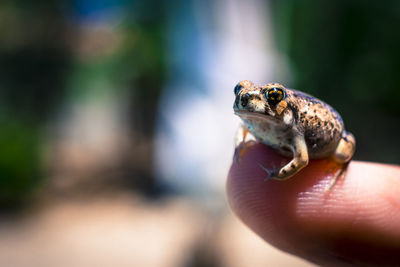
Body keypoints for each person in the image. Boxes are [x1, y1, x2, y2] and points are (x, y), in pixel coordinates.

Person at [227, 143, 400, 266]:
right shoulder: (253, 121)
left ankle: (340, 167)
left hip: (334, 142)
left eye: (273, 97)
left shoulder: (294, 128)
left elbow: (302, 158)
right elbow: (243, 127)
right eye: (238, 91)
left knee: (341, 152)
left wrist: (278, 174)